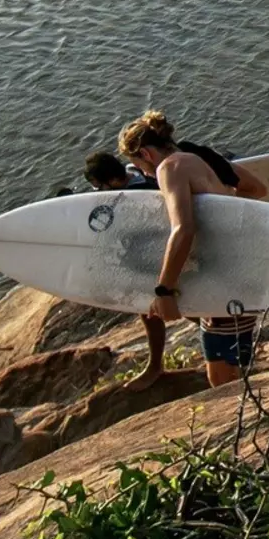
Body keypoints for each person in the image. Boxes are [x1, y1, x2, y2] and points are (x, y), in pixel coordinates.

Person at [117, 113, 267, 386]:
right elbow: (250, 193)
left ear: (145, 154)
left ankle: (249, 421)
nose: (145, 174)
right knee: (233, 370)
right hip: (237, 269)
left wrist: (164, 290)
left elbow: (183, 229)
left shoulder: (169, 168)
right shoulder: (194, 158)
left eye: (139, 167)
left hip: (226, 277)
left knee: (222, 380)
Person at [84, 152, 170, 390]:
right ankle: (155, 365)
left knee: (178, 307)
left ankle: (156, 367)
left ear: (111, 180)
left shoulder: (137, 193)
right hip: (145, 258)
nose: (97, 190)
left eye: (98, 186)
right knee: (149, 310)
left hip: (158, 257)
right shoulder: (136, 172)